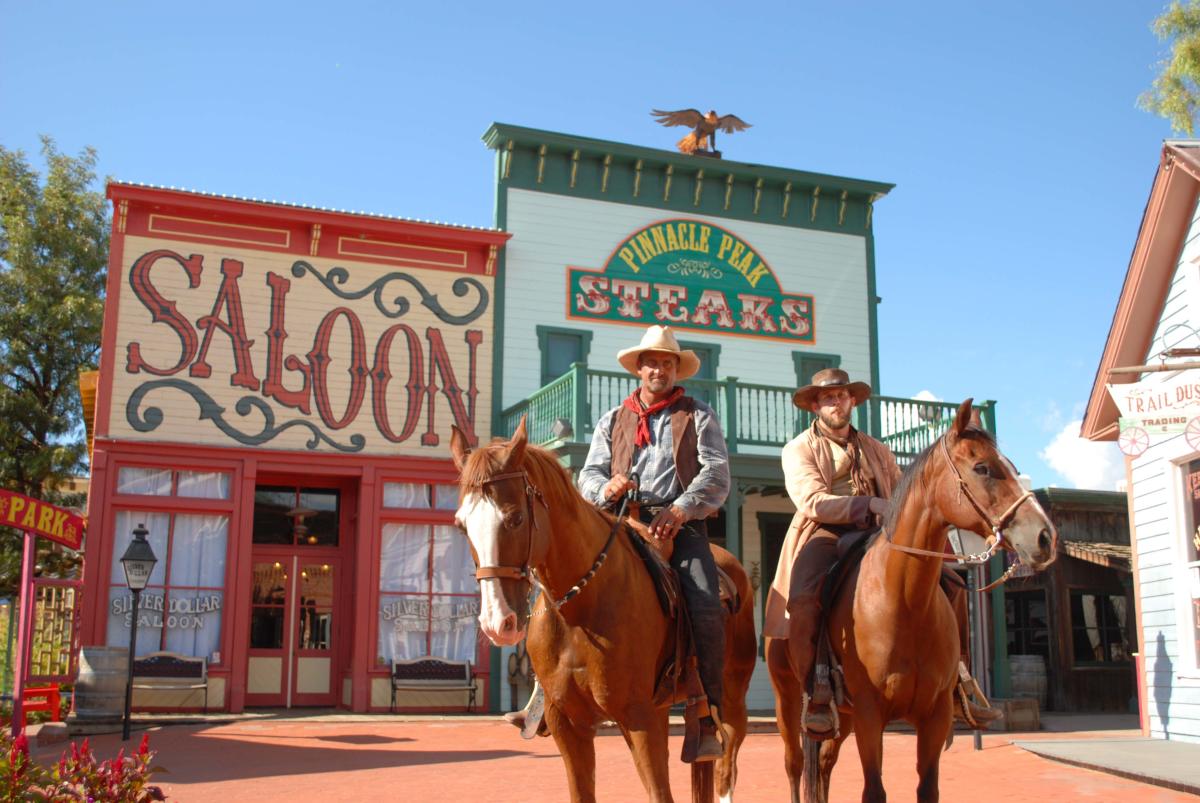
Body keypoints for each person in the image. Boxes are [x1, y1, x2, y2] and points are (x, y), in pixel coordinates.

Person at [763, 368, 999, 735]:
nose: (836, 403)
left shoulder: (877, 448)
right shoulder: (799, 448)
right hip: (825, 530)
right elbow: (811, 501)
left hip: (881, 533)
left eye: (842, 396)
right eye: (828, 398)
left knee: (951, 585)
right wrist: (869, 504)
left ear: (852, 401)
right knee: (805, 597)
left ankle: (957, 682)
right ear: (815, 406)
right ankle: (817, 690)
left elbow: (903, 494)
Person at [577, 324, 731, 761]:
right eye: (652, 363)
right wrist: (606, 488)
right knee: (560, 582)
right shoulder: (613, 419)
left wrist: (681, 509)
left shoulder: (698, 414)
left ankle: (707, 712)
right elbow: (588, 474)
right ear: (639, 369)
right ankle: (547, 692)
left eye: (667, 363)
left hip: (680, 525)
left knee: (705, 603)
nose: (659, 370)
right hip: (620, 523)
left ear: (675, 370)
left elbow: (716, 472)